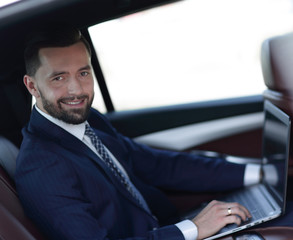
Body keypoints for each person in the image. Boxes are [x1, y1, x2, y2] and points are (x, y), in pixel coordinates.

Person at [15, 25, 261, 240]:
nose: (76, 90)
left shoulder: (90, 120)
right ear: (32, 86)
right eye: (59, 78)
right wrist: (192, 229)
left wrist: (261, 173)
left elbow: (158, 165)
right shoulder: (40, 165)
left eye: (83, 73)